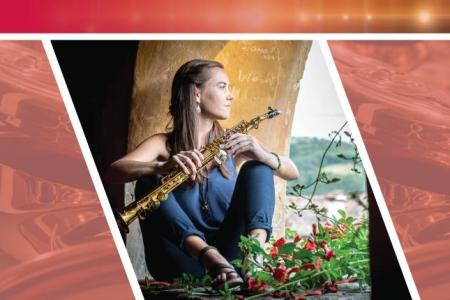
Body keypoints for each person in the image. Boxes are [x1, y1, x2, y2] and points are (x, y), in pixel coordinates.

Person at [105, 59, 299, 289]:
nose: (231, 95)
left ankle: (253, 257)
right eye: (222, 86)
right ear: (197, 93)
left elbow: (292, 172)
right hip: (182, 261)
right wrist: (160, 166)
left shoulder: (232, 144)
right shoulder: (162, 144)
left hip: (231, 258)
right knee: (149, 179)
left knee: (259, 166)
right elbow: (113, 171)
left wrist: (263, 154)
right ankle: (211, 258)